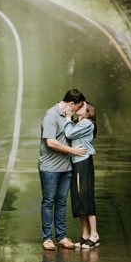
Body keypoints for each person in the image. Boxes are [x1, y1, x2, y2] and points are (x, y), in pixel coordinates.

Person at [39, 89, 87, 250]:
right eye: (77, 107)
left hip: (66, 167)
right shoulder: (51, 116)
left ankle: (61, 236)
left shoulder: (68, 117)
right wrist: (73, 151)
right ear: (70, 104)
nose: (77, 110)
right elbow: (51, 142)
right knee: (48, 201)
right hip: (50, 168)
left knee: (61, 202)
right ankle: (47, 238)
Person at [65, 102, 99, 248]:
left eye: (82, 107)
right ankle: (85, 234)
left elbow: (69, 134)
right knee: (78, 197)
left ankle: (94, 234)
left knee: (85, 195)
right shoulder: (78, 123)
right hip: (76, 161)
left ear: (88, 112)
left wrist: (67, 118)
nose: (78, 108)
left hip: (83, 162)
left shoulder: (87, 123)